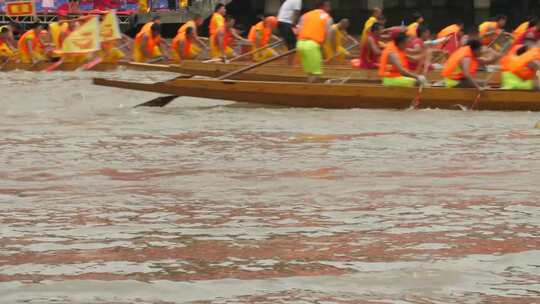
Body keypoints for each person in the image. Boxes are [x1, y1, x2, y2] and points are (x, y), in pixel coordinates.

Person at [296, 0, 333, 82]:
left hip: (300, 44)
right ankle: (310, 91)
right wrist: (324, 52)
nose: (330, 8)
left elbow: (298, 30)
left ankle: (308, 88)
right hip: (312, 45)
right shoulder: (327, 17)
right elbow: (328, 36)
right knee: (316, 73)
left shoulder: (306, 15)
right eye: (328, 6)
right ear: (323, 6)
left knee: (310, 72)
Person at [277, 0, 302, 65]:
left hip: (280, 22)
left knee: (288, 43)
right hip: (286, 22)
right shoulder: (297, 1)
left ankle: (288, 62)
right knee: (293, 44)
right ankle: (290, 64)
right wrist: (293, 26)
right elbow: (296, 13)